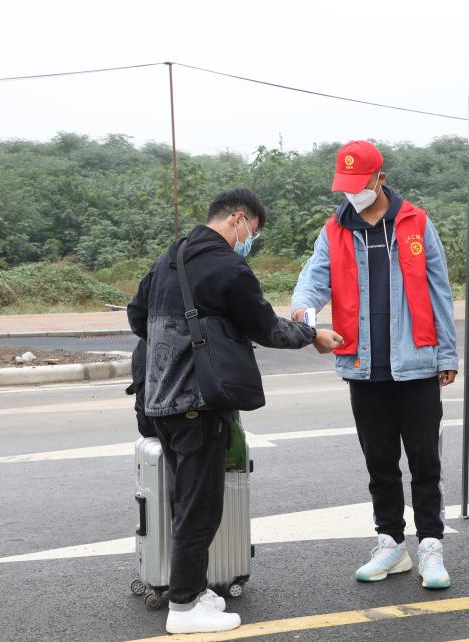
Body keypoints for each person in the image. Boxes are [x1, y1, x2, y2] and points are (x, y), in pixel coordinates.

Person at [128, 189, 343, 634]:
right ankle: (184, 608)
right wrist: (312, 335)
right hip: (198, 403)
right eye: (253, 232)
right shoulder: (228, 266)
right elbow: (267, 328)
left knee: (184, 501)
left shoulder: (170, 257)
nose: (250, 240)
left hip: (158, 401)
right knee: (200, 508)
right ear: (238, 219)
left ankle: (194, 589)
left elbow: (136, 316)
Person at [291, 140, 459, 590]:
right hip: (362, 366)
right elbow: (312, 281)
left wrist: (447, 353)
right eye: (344, 185)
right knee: (380, 462)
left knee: (425, 461)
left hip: (417, 363)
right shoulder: (334, 230)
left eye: (359, 184)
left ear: (379, 179)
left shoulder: (416, 222)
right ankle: (391, 543)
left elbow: (440, 289)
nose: (352, 193)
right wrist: (305, 317)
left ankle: (431, 547)